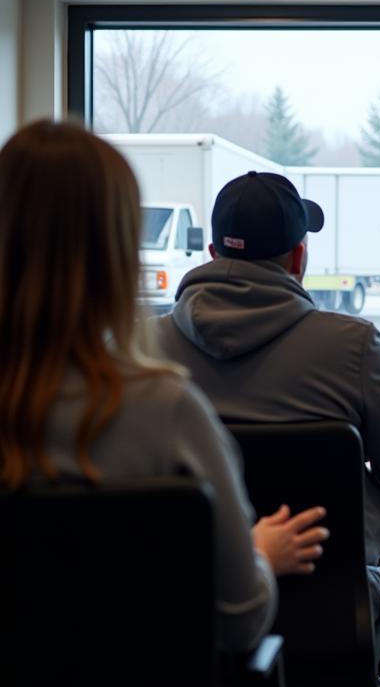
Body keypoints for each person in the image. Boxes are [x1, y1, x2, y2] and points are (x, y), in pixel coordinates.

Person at [149, 169, 380, 687]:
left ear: (213, 254)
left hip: (189, 615)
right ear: (299, 257)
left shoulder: (146, 348)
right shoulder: (352, 345)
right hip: (334, 619)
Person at [0, 121, 336, 651]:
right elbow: (239, 620)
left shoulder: (165, 364)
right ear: (115, 255)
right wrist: (261, 553)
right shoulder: (160, 410)